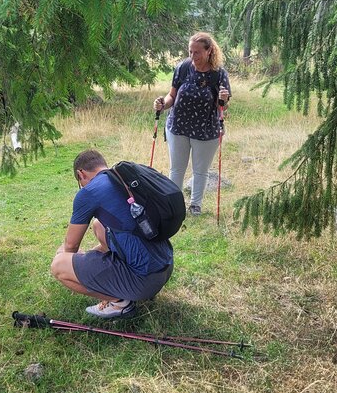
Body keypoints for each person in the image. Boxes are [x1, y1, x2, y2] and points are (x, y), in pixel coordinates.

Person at [51, 149, 174, 319]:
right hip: (165, 267)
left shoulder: (88, 192)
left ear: (81, 174)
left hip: (144, 282)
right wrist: (88, 257)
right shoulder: (124, 178)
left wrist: (68, 259)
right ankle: (119, 278)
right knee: (98, 224)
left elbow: (71, 245)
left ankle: (120, 303)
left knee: (59, 265)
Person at [154, 32, 231, 216]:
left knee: (200, 170)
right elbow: (172, 95)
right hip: (178, 126)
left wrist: (224, 99)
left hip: (206, 130)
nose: (193, 57)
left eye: (197, 52)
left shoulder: (219, 74)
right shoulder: (183, 67)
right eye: (190, 52)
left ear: (209, 51)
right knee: (177, 168)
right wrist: (162, 104)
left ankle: (195, 205)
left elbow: (223, 107)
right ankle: (174, 205)